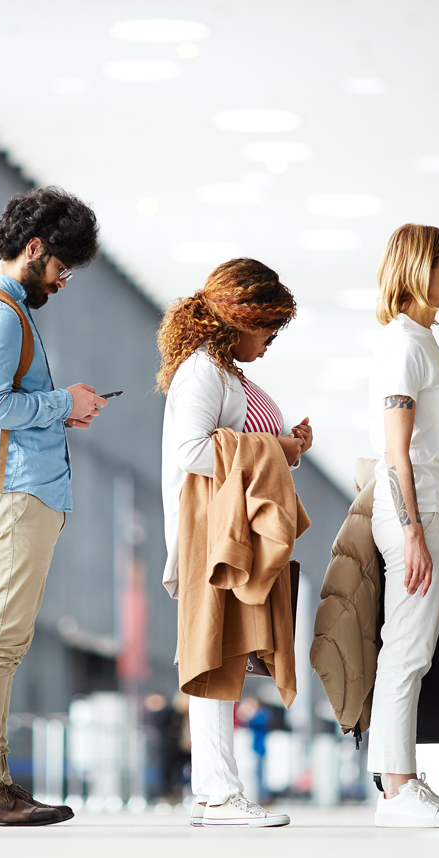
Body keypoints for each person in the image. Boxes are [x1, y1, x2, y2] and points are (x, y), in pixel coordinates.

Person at [0, 187, 106, 827]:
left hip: (22, 492)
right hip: (12, 495)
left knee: (7, 641)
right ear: (35, 248)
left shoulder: (13, 311)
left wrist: (61, 412)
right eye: (62, 267)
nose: (64, 281)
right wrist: (62, 403)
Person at [157, 257, 310, 827]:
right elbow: (191, 451)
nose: (271, 341)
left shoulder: (225, 372)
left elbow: (230, 445)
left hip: (225, 528)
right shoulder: (203, 373)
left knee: (222, 654)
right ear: (241, 319)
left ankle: (215, 792)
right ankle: (219, 794)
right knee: (213, 654)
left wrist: (282, 446)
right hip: (209, 531)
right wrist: (276, 452)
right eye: (267, 327)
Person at [367, 223, 439, 828]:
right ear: (420, 269)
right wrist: (412, 532)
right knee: (407, 649)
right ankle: (396, 788)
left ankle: (400, 781)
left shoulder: (421, 342)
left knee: (413, 648)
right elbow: (395, 450)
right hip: (420, 511)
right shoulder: (405, 344)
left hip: (434, 509)